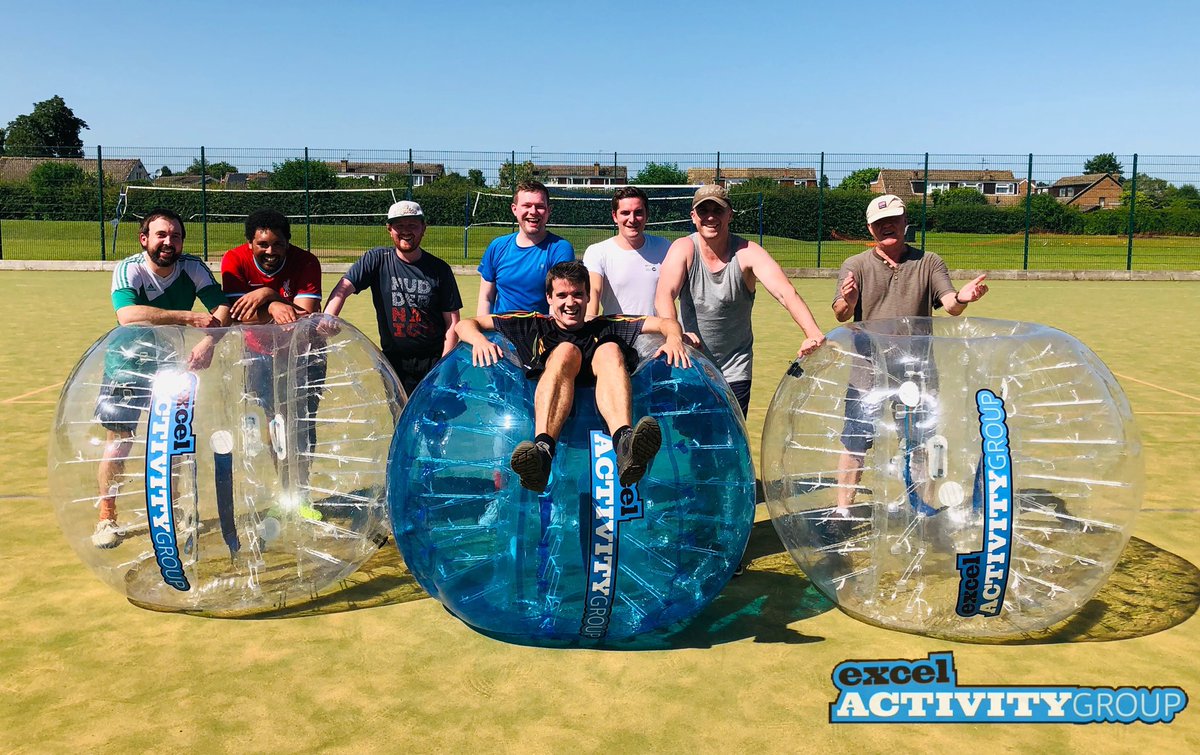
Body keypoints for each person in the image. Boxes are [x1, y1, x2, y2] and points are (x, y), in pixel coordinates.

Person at [456, 261, 690, 493]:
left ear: (589, 297)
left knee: (610, 349)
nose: (570, 303)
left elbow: (666, 323)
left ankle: (626, 446)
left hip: (600, 426)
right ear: (549, 298)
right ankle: (541, 455)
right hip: (546, 426)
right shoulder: (531, 325)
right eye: (562, 295)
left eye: (578, 294)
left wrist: (674, 339)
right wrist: (478, 340)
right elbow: (466, 324)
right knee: (567, 351)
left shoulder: (606, 326)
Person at [831, 193, 990, 517]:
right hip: (868, 371)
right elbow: (841, 314)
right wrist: (848, 299)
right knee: (855, 439)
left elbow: (950, 304)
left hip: (917, 372)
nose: (887, 226)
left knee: (922, 441)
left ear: (906, 222)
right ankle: (842, 511)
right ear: (870, 228)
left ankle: (919, 508)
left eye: (894, 219)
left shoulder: (928, 262)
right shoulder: (855, 265)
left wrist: (964, 295)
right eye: (880, 222)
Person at [93, 208, 231, 548]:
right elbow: (128, 315)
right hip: (126, 369)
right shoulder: (129, 269)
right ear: (145, 240)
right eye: (161, 235)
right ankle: (107, 518)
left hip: (172, 369)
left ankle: (175, 511)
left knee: (173, 444)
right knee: (119, 445)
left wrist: (209, 342)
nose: (169, 242)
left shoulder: (193, 267)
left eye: (176, 235)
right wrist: (186, 317)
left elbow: (222, 309)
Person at [655, 184, 825, 418]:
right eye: (704, 211)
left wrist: (813, 333)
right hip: (691, 363)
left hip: (736, 368)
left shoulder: (748, 252)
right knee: (694, 444)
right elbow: (664, 294)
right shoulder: (683, 248)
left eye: (718, 210)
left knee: (730, 444)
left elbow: (785, 292)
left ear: (730, 215)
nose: (711, 217)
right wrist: (675, 336)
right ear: (693, 216)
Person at [221, 209, 325, 517]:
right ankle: (284, 491)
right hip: (258, 352)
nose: (270, 251)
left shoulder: (306, 262)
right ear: (250, 243)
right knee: (273, 422)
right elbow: (240, 314)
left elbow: (302, 315)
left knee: (302, 423)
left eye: (277, 244)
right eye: (262, 244)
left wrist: (265, 294)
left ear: (288, 243)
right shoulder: (234, 260)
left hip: (303, 352)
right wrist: (275, 302)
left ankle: (301, 493)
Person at [324, 200, 462, 397]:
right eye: (399, 226)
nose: (406, 231)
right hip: (395, 362)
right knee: (401, 416)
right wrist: (328, 317)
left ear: (424, 228)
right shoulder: (377, 260)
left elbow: (452, 322)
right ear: (389, 229)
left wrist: (444, 365)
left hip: (434, 359)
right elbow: (344, 287)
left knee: (438, 417)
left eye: (412, 225)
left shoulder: (439, 270)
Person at [477, 180, 575, 316]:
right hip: (500, 333)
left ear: (549, 211)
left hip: (541, 332)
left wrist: (552, 335)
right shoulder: (497, 247)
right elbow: (486, 298)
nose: (533, 212)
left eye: (539, 206)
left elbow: (558, 302)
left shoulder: (560, 249)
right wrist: (484, 332)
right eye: (527, 205)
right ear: (514, 209)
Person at [583, 186, 671, 317]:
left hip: (656, 336)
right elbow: (593, 291)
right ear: (614, 216)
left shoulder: (665, 247)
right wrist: (590, 325)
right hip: (615, 335)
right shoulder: (597, 252)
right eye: (625, 213)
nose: (632, 219)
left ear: (647, 215)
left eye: (638, 212)